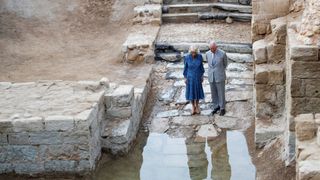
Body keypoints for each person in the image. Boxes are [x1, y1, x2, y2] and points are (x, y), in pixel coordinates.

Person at [206, 41, 227, 116]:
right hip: (211, 76)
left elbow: (225, 64)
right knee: (213, 92)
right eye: (211, 48)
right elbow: (209, 64)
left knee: (221, 93)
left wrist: (219, 71)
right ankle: (216, 106)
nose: (212, 50)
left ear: (216, 47)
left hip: (220, 76)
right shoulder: (207, 54)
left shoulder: (222, 53)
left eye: (213, 49)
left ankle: (222, 108)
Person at [183, 46, 205, 115]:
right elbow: (185, 68)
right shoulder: (186, 57)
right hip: (190, 77)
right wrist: (185, 78)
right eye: (192, 53)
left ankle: (197, 105)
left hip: (198, 76)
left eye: (195, 53)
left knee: (197, 92)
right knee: (191, 92)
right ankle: (193, 106)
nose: (193, 54)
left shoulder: (200, 56)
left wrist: (202, 76)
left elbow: (201, 67)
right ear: (190, 52)